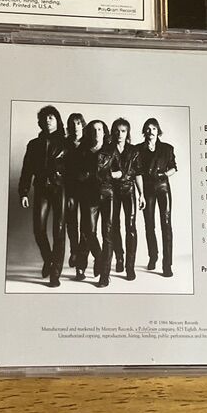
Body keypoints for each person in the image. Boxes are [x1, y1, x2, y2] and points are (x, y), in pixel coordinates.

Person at [18, 106, 66, 288]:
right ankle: (49, 259)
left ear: (57, 120)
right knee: (39, 229)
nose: (48, 120)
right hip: (41, 189)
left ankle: (55, 273)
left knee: (59, 231)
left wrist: (73, 196)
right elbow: (27, 169)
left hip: (61, 189)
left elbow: (74, 169)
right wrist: (23, 192)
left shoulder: (66, 143)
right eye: (45, 118)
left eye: (51, 117)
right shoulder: (33, 144)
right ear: (40, 122)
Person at [136, 118, 177, 278]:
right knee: (149, 225)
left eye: (153, 128)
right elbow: (137, 172)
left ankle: (167, 264)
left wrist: (164, 174)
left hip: (162, 187)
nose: (150, 131)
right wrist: (141, 194)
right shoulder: (138, 149)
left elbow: (174, 167)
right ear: (144, 131)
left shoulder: (167, 148)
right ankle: (153, 256)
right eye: (148, 128)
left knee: (166, 225)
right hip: (147, 189)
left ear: (158, 131)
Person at [78, 119, 115, 288]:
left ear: (104, 132)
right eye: (93, 130)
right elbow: (75, 172)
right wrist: (83, 176)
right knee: (89, 232)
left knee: (107, 234)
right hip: (89, 195)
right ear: (89, 133)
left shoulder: (111, 150)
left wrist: (112, 175)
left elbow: (121, 170)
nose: (96, 133)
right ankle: (99, 259)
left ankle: (104, 275)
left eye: (99, 129)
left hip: (108, 195)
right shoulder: (83, 151)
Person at [109, 118, 145, 281]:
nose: (120, 134)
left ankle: (130, 266)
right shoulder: (108, 149)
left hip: (129, 189)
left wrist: (141, 194)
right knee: (114, 225)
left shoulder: (133, 150)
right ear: (113, 132)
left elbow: (138, 173)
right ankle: (119, 257)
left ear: (127, 133)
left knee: (130, 226)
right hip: (112, 191)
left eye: (123, 131)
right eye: (117, 131)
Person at [64, 112, 86, 280]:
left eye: (78, 123)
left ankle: (81, 265)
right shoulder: (65, 144)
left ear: (83, 125)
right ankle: (74, 251)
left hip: (88, 189)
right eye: (72, 124)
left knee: (86, 227)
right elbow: (62, 169)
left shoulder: (90, 142)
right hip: (70, 188)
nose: (76, 126)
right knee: (71, 223)